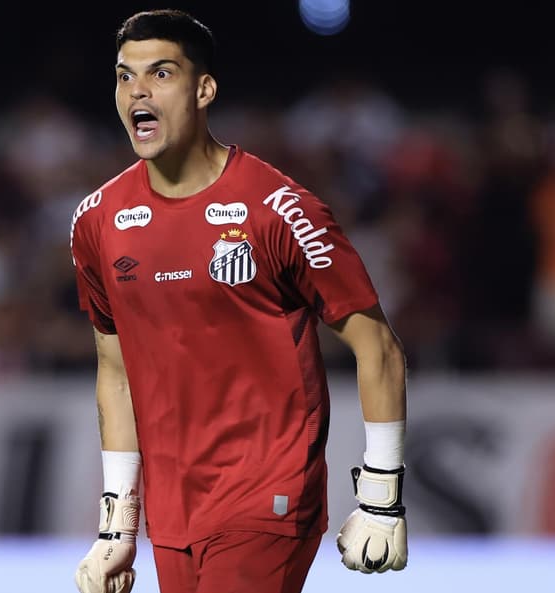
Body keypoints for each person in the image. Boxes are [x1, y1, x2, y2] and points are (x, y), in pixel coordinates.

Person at [71, 10, 408, 593]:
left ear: (204, 89)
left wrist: (381, 495)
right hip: (173, 513)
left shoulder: (279, 210)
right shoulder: (98, 221)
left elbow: (378, 346)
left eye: (161, 74)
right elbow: (115, 370)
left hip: (268, 495)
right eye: (125, 77)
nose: (138, 92)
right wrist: (117, 524)